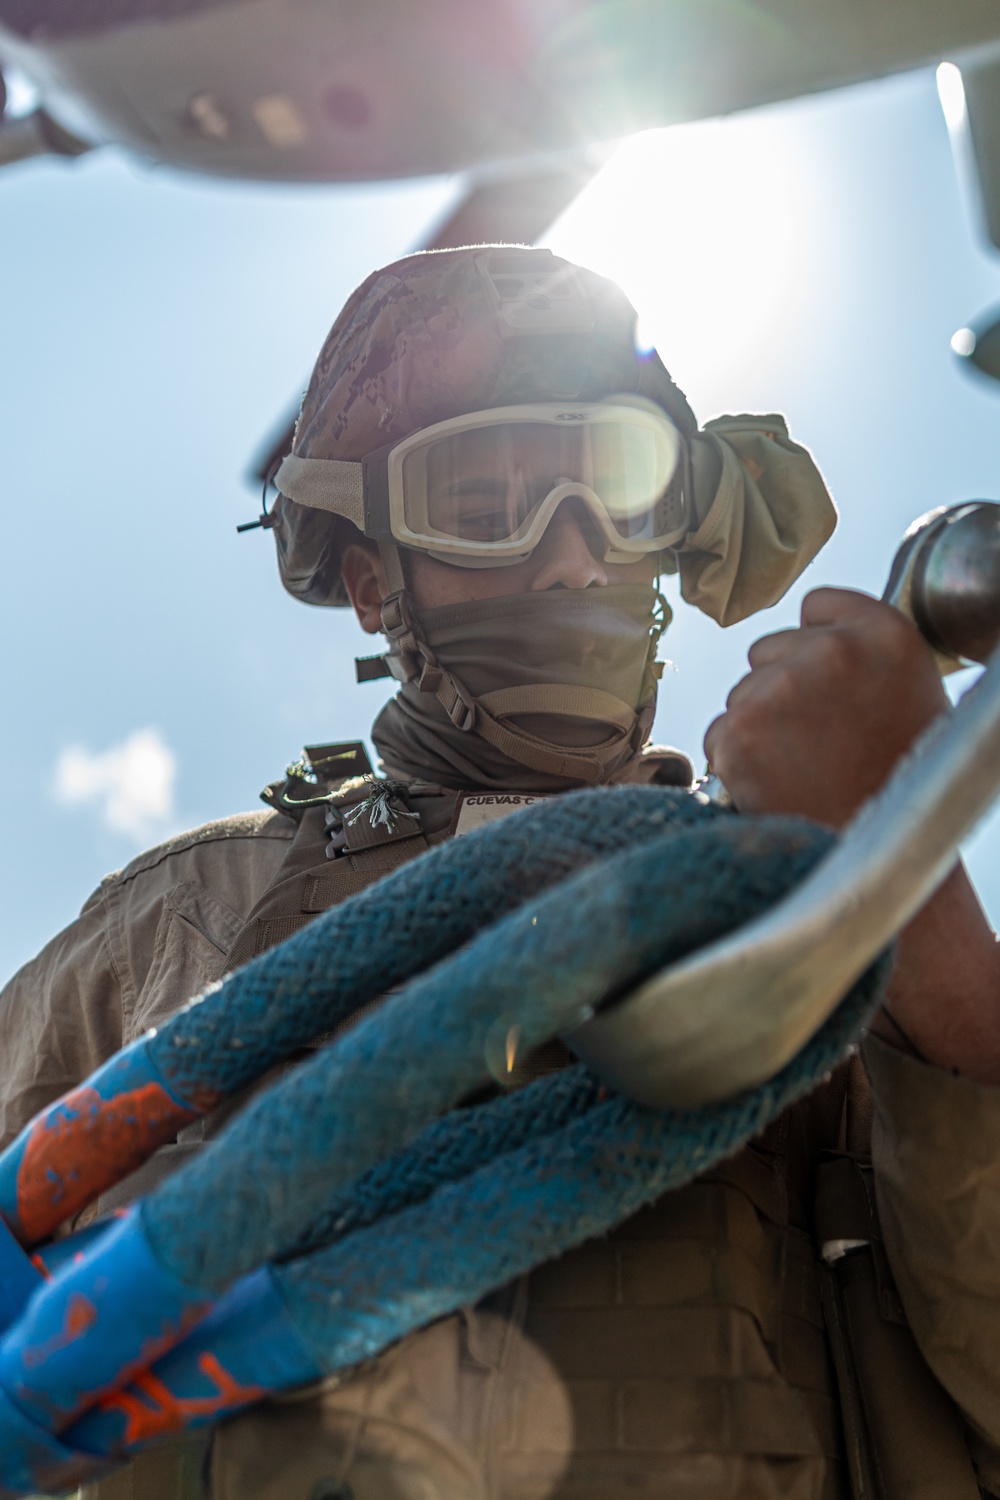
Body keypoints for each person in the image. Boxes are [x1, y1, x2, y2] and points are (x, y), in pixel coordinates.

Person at [1, 245, 999, 1500]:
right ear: (374, 580)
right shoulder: (186, 920)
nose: (571, 557)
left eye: (618, 494)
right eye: (485, 504)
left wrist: (903, 867)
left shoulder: (812, 925)